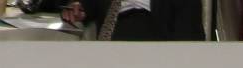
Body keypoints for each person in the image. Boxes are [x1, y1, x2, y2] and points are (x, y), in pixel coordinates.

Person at [60, 0, 203, 40]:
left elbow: (189, 31)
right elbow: (89, 4)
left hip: (157, 31)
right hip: (116, 27)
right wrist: (79, 6)